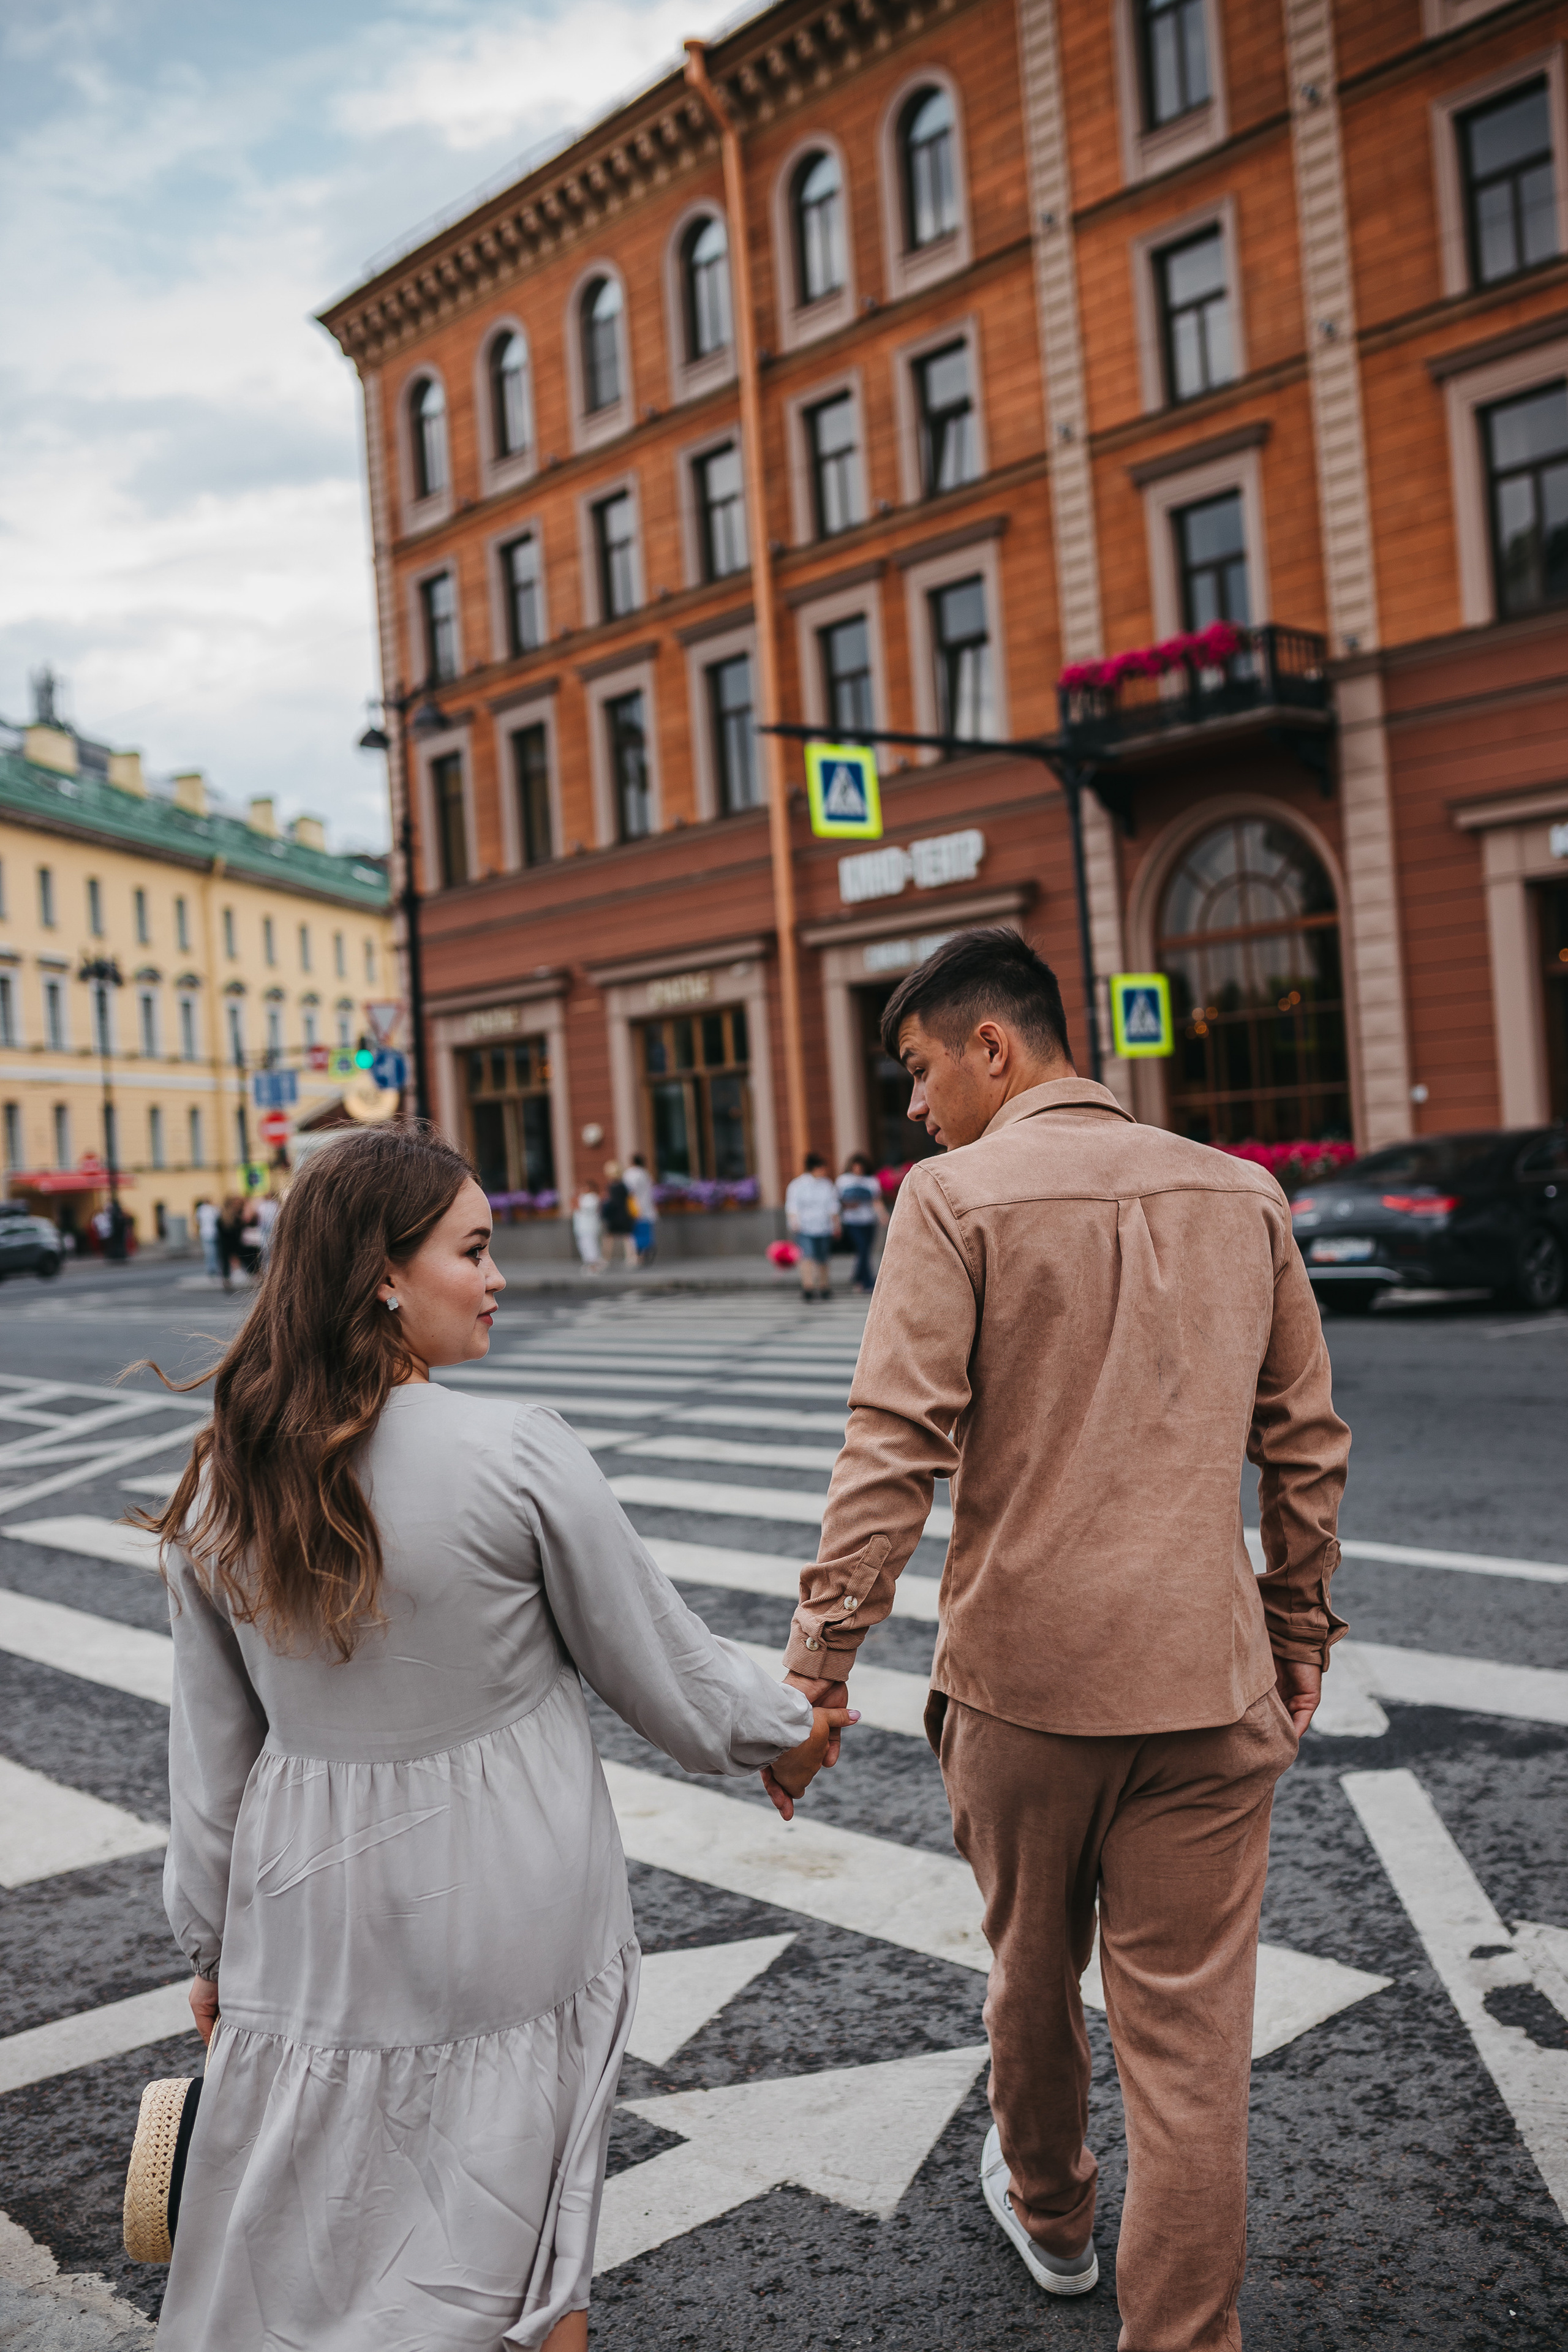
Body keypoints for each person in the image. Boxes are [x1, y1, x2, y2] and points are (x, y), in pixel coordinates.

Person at [141, 1124, 853, 2351]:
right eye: (473, 1251)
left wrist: (209, 1946)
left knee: (316, 2220)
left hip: (304, 1909)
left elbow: (210, 1764)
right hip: (503, 1893)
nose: (498, 1277)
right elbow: (663, 1666)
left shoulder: (223, 1478)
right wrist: (785, 1732)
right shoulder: (512, 1451)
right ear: (382, 1271)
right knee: (521, 2224)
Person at [782, 926, 1348, 2348]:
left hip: (1026, 1686)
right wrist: (1294, 1633)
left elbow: (888, 1447)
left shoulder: (953, 1197)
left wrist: (820, 1665)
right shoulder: (1241, 1192)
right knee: (1191, 2052)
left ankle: (1047, 2207)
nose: (912, 1108)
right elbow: (1304, 1447)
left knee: (1029, 1968)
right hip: (1209, 1682)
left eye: (918, 1069)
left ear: (993, 1048)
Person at [783, 1152, 840, 1302]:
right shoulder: (798, 1185)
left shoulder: (827, 1184)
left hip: (823, 1226)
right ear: (815, 1168)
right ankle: (808, 1287)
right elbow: (792, 1206)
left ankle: (824, 1286)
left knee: (823, 1258)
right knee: (807, 1257)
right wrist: (794, 1222)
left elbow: (833, 1207)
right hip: (805, 1227)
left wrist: (836, 1224)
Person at [835, 1153, 884, 1294]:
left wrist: (882, 1215)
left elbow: (876, 1200)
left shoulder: (871, 1181)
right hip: (852, 1221)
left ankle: (859, 1278)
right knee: (862, 1248)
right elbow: (837, 1201)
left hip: (868, 1220)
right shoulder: (844, 1180)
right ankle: (867, 1280)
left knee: (866, 1250)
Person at [601, 1159, 637, 1265]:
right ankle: (632, 1258)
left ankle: (606, 1259)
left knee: (609, 1238)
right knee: (628, 1237)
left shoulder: (612, 1187)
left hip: (615, 1215)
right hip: (625, 1214)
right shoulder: (623, 1186)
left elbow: (612, 1202)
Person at [625, 1152, 658, 1263]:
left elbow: (629, 1191)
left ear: (632, 1162)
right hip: (647, 1207)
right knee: (646, 1232)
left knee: (636, 1234)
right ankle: (646, 1252)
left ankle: (638, 1257)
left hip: (635, 1208)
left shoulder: (631, 1174)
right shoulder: (646, 1174)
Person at [215, 1195, 246, 1291]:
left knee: (225, 1262)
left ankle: (226, 1280)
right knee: (240, 1258)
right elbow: (239, 1229)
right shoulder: (234, 1216)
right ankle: (227, 1280)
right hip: (233, 1242)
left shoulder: (222, 1215)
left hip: (224, 1242)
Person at [571, 1182, 603, 1272]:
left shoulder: (592, 1198)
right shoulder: (583, 1197)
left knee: (591, 1245)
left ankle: (594, 1264)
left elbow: (582, 1208)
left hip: (589, 1226)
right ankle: (589, 1263)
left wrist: (576, 1199)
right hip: (581, 1226)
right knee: (583, 1245)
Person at [194, 1197, 220, 1283]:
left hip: (205, 1233)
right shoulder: (213, 1209)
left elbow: (197, 1221)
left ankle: (211, 1270)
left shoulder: (200, 1210)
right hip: (214, 1233)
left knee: (209, 1253)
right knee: (214, 1252)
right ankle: (214, 1270)